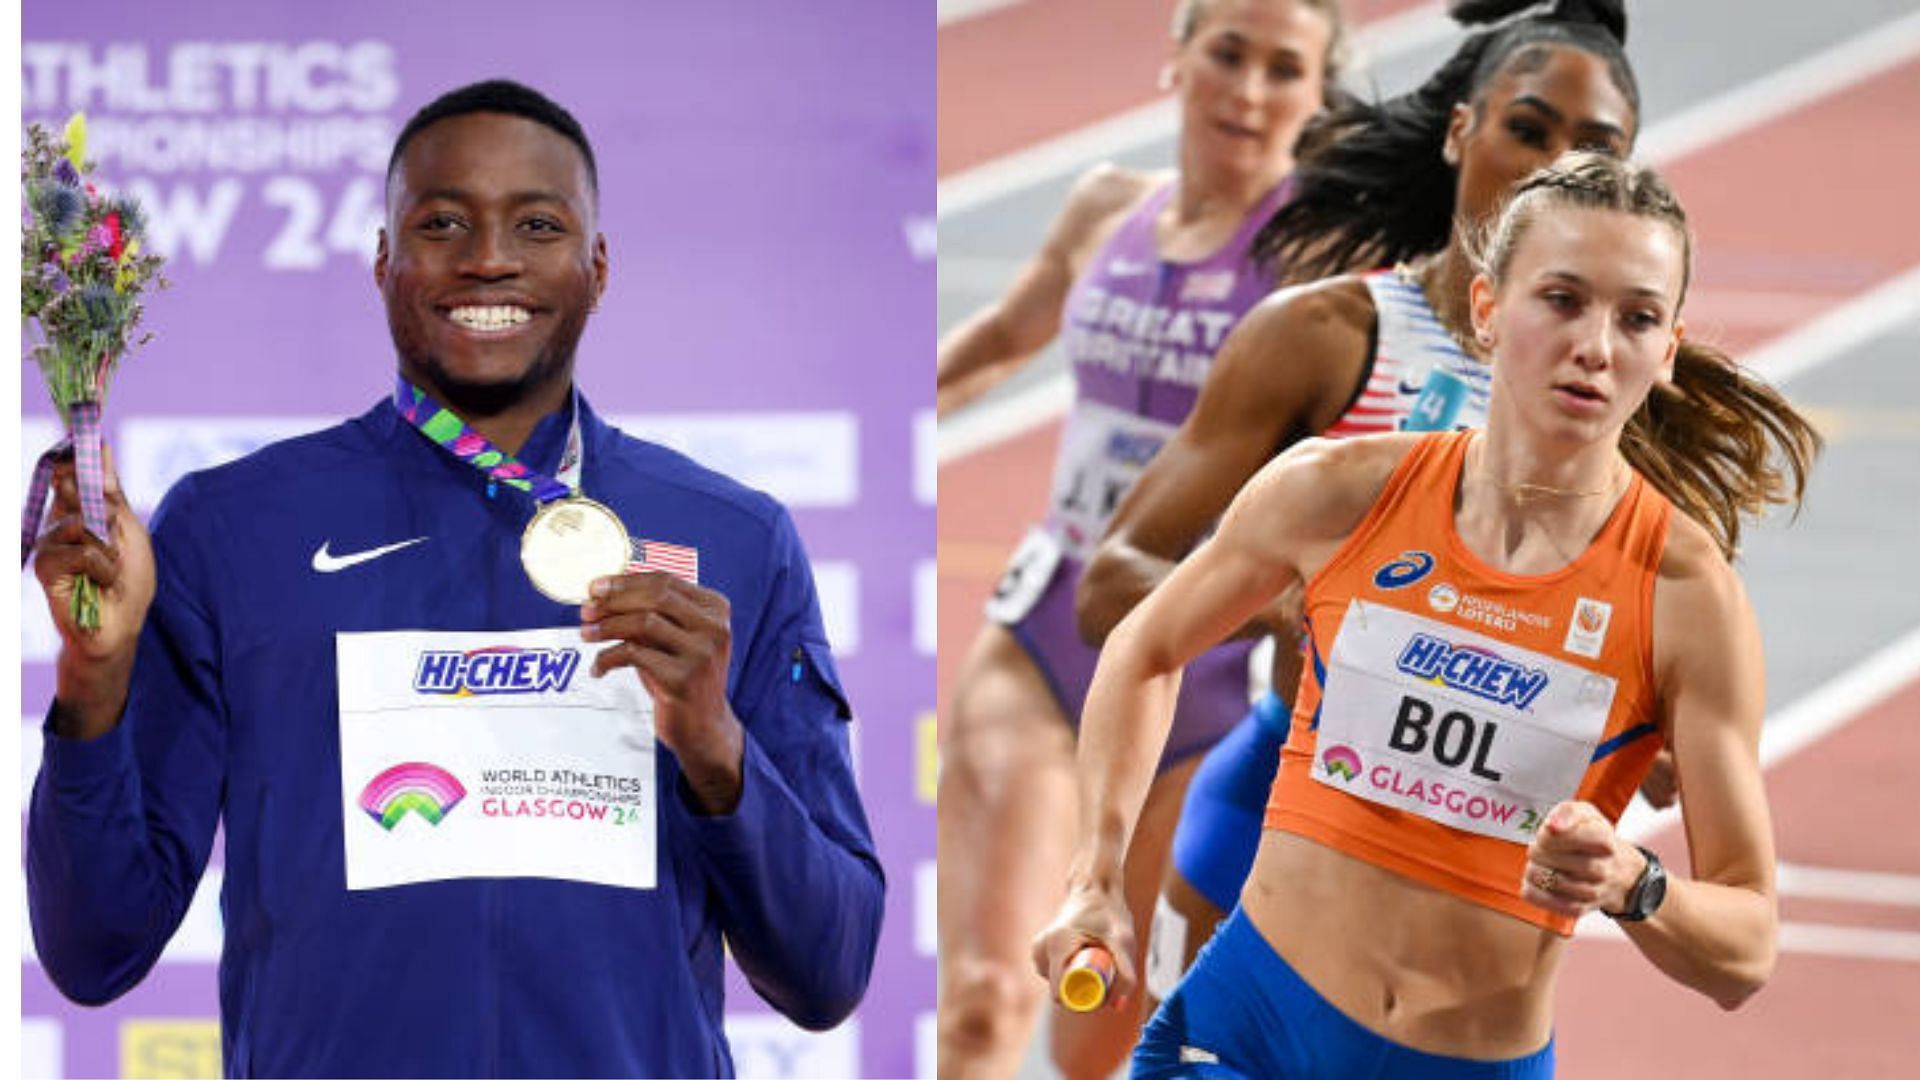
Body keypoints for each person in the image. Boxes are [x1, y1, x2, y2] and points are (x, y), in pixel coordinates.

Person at [27, 80, 883, 1077]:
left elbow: (830, 971)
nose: (488, 257)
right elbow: (94, 950)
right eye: (441, 222)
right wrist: (94, 676)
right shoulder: (232, 530)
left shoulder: (732, 538)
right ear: (383, 262)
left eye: (537, 223)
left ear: (597, 268)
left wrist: (714, 745)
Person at [1035, 150, 1819, 1076]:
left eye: (1636, 318)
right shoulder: (1335, 492)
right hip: (1245, 1031)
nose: (1596, 346)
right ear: (1487, 309)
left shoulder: (1687, 599)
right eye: (1562, 299)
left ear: (1668, 347)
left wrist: (1636, 885)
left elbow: (1746, 945)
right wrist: (1094, 879)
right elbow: (1144, 645)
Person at [1072, 0, 1680, 996]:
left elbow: (1666, 708)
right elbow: (1114, 587)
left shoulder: (1619, 395)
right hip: (1269, 823)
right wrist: (1301, 603)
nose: (1550, 170)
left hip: (1468, 873)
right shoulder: (1323, 336)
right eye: (1526, 130)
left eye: (1591, 151)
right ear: (1459, 131)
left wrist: (1653, 734)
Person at [936, 1, 1344, 1073]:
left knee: (1092, 1041)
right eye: (1227, 54)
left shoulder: (1326, 260)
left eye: (1284, 69)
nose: (1249, 91)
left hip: (1200, 664)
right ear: (1175, 61)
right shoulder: (1104, 205)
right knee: (979, 1003)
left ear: (1319, 93)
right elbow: (1000, 340)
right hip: (1046, 631)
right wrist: (882, 422)